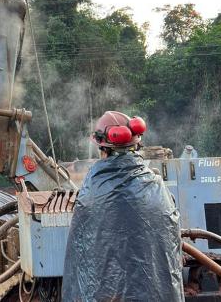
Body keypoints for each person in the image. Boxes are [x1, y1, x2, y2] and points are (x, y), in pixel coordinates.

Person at [62, 111, 184, 301]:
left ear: (103, 149)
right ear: (136, 145)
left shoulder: (91, 193)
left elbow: (79, 262)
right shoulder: (157, 188)